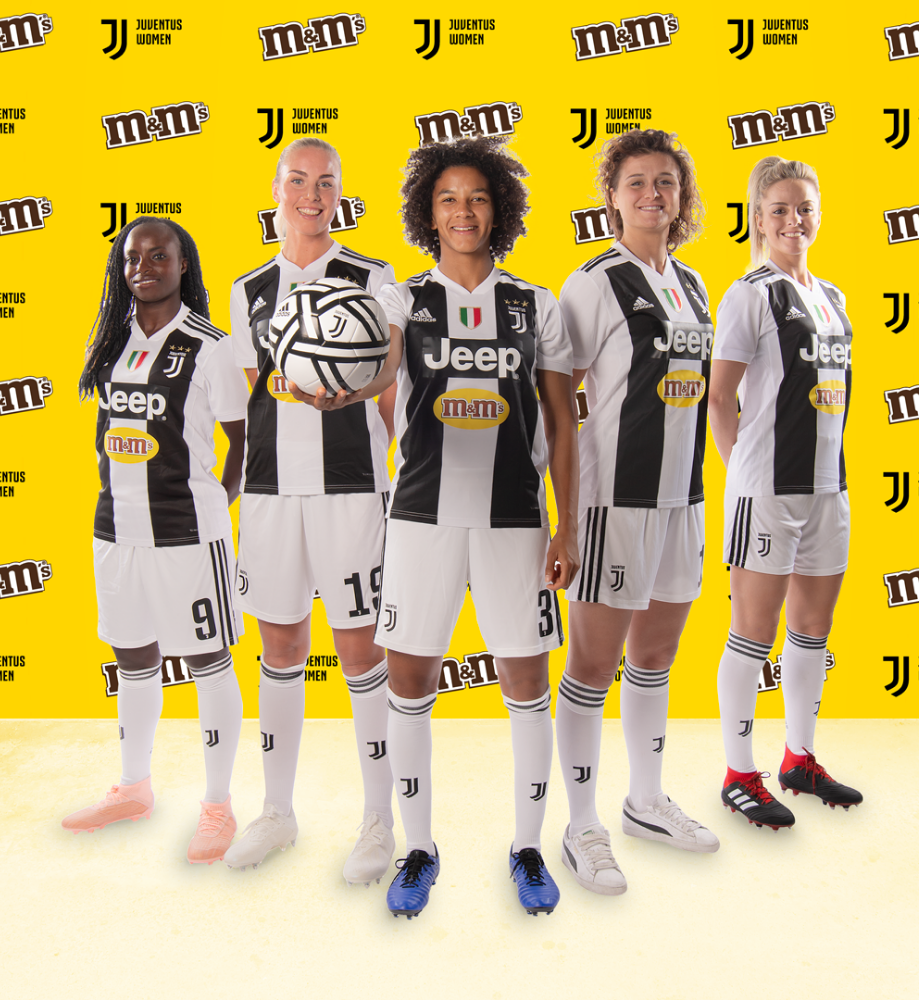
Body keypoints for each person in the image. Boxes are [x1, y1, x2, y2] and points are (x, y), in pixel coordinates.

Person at [364, 136, 579, 918]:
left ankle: (527, 846)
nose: (464, 211)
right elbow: (375, 372)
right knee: (409, 682)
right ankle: (419, 849)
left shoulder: (534, 303)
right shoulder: (402, 301)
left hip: (515, 518)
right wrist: (330, 380)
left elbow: (562, 422)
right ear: (428, 212)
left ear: (500, 210)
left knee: (527, 683)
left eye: (479, 198)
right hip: (420, 517)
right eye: (449, 198)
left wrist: (568, 525)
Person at [224, 138, 398, 883]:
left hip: (351, 488)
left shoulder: (373, 278)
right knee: (281, 649)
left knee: (360, 653)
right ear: (276, 189)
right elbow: (251, 399)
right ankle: (276, 812)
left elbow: (391, 397)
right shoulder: (248, 288)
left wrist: (378, 459)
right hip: (268, 492)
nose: (311, 194)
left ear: (339, 194)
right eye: (297, 180)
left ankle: (379, 820)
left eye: (325, 182)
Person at [556, 129, 719, 897]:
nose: (654, 194)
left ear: (680, 196)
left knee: (656, 656)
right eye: (637, 183)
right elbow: (556, 395)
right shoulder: (593, 282)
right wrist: (561, 512)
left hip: (682, 498)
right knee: (593, 665)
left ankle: (646, 802)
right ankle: (581, 824)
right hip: (612, 502)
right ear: (613, 198)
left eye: (666, 182)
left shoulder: (694, 284)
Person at [64, 217, 249, 865]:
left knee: (208, 661)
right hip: (116, 531)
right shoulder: (112, 342)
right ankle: (133, 788)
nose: (143, 267)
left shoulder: (211, 347)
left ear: (183, 264)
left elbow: (244, 441)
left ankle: (218, 805)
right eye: (132, 257)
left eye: (158, 256)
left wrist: (215, 506)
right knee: (133, 658)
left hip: (187, 535)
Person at [709, 155, 862, 830]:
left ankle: (800, 759)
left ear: (818, 213)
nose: (793, 220)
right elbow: (719, 398)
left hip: (829, 486)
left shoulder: (833, 297)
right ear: (757, 218)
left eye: (804, 207)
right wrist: (743, 475)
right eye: (779, 209)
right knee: (752, 634)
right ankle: (739, 773)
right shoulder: (749, 294)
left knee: (812, 631)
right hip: (768, 489)